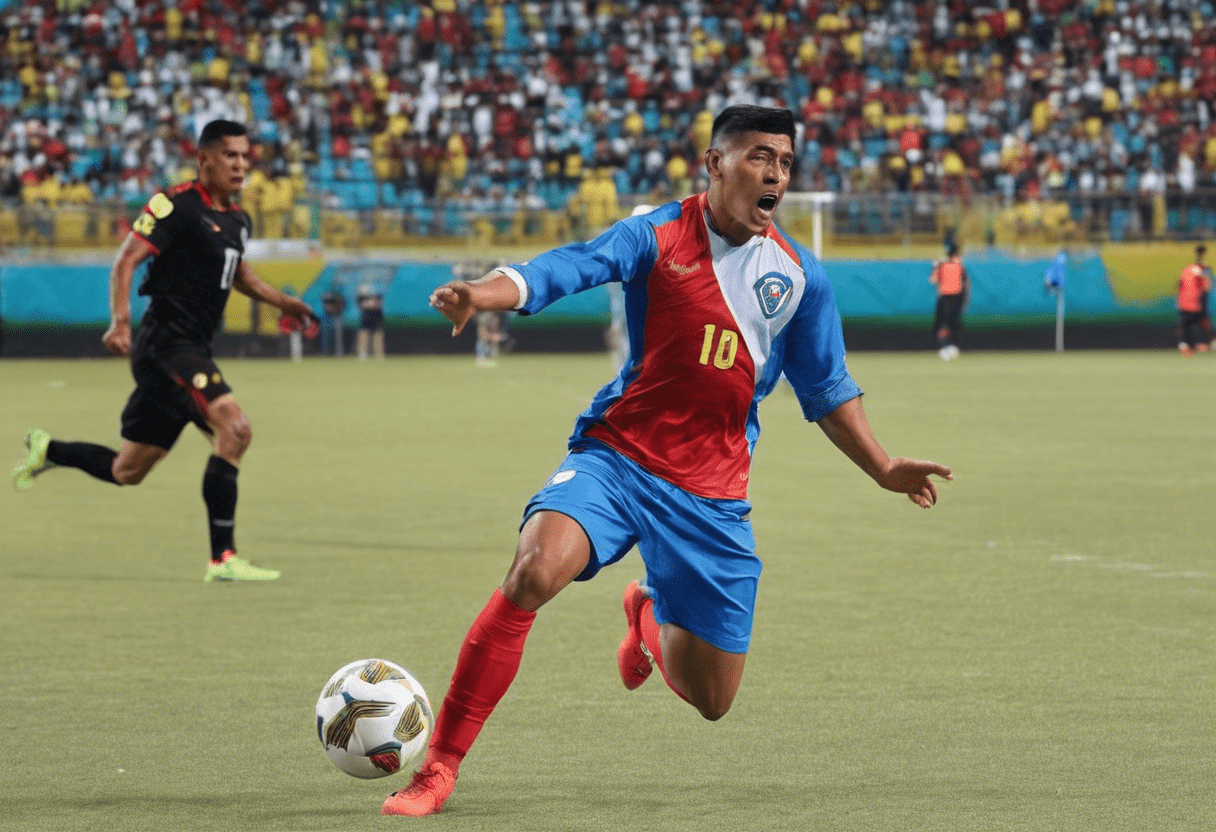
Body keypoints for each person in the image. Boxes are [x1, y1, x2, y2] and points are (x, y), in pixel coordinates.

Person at [381, 105, 952, 817]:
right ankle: (439, 768)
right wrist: (484, 293)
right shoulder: (656, 233)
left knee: (713, 699)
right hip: (617, 458)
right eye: (757, 157)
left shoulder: (800, 278)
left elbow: (827, 387)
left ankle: (647, 611)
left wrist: (884, 466)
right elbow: (569, 267)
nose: (773, 174)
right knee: (534, 569)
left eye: (784, 162)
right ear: (714, 164)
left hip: (711, 495)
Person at [10, 119, 316, 582]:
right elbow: (126, 260)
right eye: (229, 155)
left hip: (189, 349)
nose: (239, 165)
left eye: (244, 156)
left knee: (126, 470)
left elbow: (239, 275)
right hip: (166, 345)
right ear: (204, 159)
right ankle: (223, 559)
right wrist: (119, 321)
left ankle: (47, 448)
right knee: (235, 428)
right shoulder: (173, 205)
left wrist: (285, 301)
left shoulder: (237, 219)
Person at [930, 242, 969, 360]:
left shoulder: (942, 264)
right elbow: (965, 283)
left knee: (943, 323)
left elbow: (933, 279)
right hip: (956, 297)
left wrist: (936, 266)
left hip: (946, 297)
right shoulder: (959, 264)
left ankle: (946, 346)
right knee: (954, 323)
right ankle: (953, 346)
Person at [1176, 244, 1213, 357]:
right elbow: (1207, 287)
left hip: (1183, 303)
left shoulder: (1186, 270)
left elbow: (1178, 285)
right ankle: (1201, 344)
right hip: (1194, 303)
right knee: (1198, 323)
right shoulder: (1202, 271)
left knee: (1187, 325)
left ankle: (1185, 346)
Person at [356, 282, 386, 360]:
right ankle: (363, 354)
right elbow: (362, 304)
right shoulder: (362, 293)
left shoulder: (379, 290)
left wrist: (371, 304)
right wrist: (370, 304)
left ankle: (379, 354)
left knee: (378, 336)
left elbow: (377, 304)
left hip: (377, 316)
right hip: (366, 316)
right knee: (364, 335)